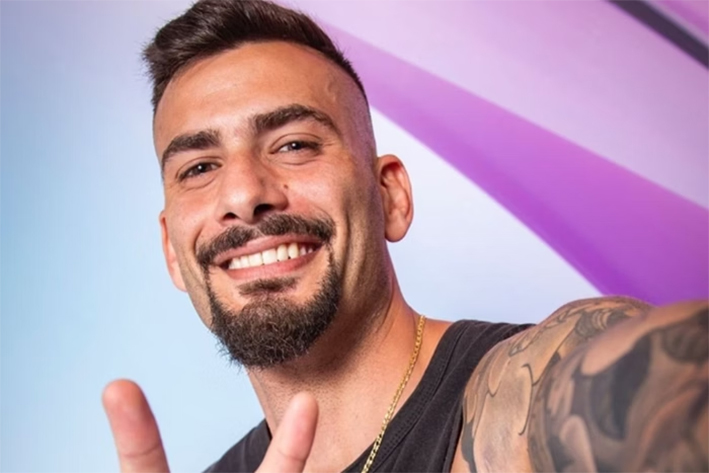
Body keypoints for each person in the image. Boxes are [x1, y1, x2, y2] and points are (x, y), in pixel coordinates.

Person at [102, 1, 708, 471]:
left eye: (293, 145)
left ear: (390, 195)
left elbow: (659, 389)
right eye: (199, 168)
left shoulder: (516, 400)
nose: (242, 194)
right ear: (172, 251)